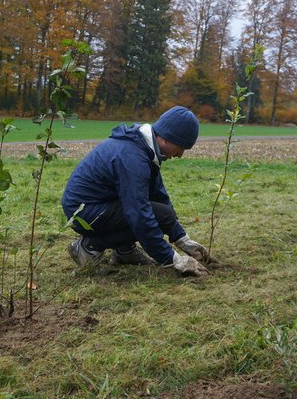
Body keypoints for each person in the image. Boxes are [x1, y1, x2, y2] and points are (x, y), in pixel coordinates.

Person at [61, 106, 209, 277]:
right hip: (83, 212)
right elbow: (140, 216)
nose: (180, 155)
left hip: (98, 205)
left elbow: (158, 197)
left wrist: (182, 238)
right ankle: (89, 247)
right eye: (181, 147)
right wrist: (173, 259)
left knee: (161, 214)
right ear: (168, 138)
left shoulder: (144, 149)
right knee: (148, 217)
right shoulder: (133, 158)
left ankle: (124, 252)